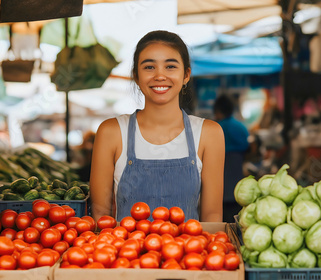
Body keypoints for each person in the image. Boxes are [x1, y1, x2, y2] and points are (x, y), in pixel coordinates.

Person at [90, 30, 225, 222]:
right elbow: (100, 216)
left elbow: (212, 217)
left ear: (186, 75)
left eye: (170, 66)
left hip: (190, 251)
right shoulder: (111, 132)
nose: (160, 76)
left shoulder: (209, 134)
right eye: (149, 67)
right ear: (136, 77)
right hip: (126, 251)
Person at [213, 94, 250, 223]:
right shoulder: (240, 127)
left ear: (217, 111)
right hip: (238, 186)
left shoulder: (214, 128)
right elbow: (248, 149)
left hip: (219, 191)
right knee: (237, 222)